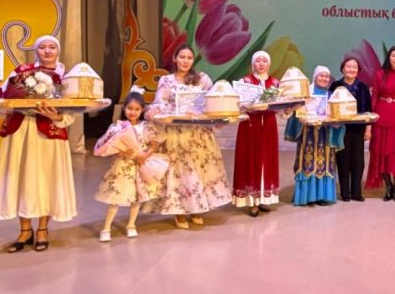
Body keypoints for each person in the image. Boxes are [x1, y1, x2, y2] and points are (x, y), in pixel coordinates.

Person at [0, 35, 75, 252]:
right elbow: (3, 95)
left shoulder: (67, 77)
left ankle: (42, 229)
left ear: (58, 51)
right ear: (36, 51)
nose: (47, 51)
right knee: (22, 178)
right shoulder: (21, 71)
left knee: (47, 179)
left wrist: (56, 117)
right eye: (42, 47)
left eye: (52, 47)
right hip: (20, 132)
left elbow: (73, 109)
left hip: (48, 134)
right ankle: (24, 231)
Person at [143, 45, 232, 228]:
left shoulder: (202, 79)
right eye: (182, 57)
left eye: (189, 57)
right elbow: (159, 103)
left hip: (199, 134)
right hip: (176, 134)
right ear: (174, 59)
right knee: (180, 172)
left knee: (198, 170)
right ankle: (180, 210)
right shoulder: (166, 81)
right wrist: (156, 110)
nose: (185, 61)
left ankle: (196, 208)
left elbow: (212, 102)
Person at [93, 91, 166, 241]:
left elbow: (154, 144)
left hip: (138, 167)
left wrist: (144, 155)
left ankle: (131, 225)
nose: (133, 112)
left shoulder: (145, 126)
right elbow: (110, 145)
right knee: (115, 196)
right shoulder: (117, 127)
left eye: (137, 109)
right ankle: (106, 228)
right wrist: (119, 151)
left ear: (142, 110)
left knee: (136, 197)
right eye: (130, 108)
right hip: (121, 166)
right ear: (124, 108)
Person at [233, 51, 281, 216]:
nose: (261, 64)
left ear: (269, 64)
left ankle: (263, 199)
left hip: (268, 125)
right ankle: (251, 201)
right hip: (250, 125)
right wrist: (246, 106)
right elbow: (237, 103)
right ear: (253, 64)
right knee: (250, 159)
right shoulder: (244, 82)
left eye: (264, 61)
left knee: (267, 159)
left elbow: (281, 106)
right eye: (258, 61)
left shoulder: (276, 83)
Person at [285, 66, 342, 206]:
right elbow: (296, 114)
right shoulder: (305, 95)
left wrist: (337, 121)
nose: (324, 79)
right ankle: (306, 197)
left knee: (325, 163)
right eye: (321, 76)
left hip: (325, 134)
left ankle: (322, 196)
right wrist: (300, 117)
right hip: (307, 134)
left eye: (326, 76)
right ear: (315, 77)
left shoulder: (331, 96)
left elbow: (338, 114)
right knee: (307, 162)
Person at [366, 46, 395, 202]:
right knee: (382, 153)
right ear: (388, 57)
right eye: (393, 55)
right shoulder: (379, 74)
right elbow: (374, 97)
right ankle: (388, 186)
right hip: (380, 117)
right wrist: (371, 120)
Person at [329, 57, 372, 202]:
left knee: (358, 161)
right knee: (343, 160)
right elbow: (329, 107)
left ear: (358, 70)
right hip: (340, 129)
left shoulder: (363, 87)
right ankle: (345, 193)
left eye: (354, 67)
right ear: (343, 69)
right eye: (348, 66)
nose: (351, 69)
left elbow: (368, 109)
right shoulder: (336, 85)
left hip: (359, 129)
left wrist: (368, 129)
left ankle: (356, 192)